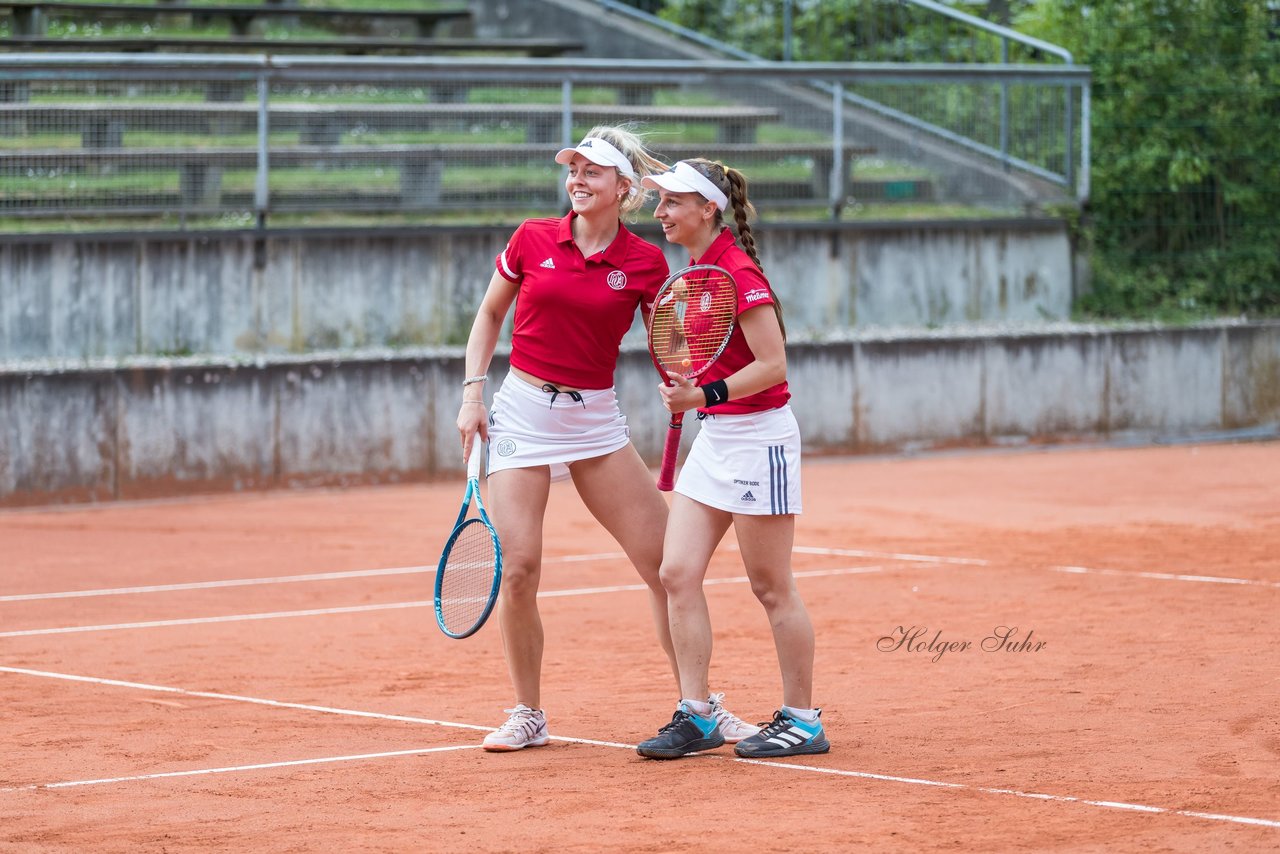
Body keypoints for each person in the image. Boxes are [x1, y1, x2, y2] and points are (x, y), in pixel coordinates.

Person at [456, 129, 758, 752]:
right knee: (520, 569)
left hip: (595, 420)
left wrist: (688, 379)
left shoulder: (647, 262)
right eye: (574, 170)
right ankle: (527, 714)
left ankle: (698, 706)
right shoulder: (532, 237)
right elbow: (490, 315)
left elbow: (670, 338)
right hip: (521, 412)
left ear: (623, 189)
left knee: (664, 568)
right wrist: (471, 394)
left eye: (594, 173)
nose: (578, 180)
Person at [635, 159, 829, 760]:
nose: (660, 213)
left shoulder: (737, 272)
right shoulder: (695, 270)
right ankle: (698, 714)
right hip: (716, 438)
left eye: (672, 202)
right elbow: (711, 356)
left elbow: (773, 365)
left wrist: (705, 393)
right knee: (676, 573)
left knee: (770, 586)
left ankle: (803, 720)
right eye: (660, 202)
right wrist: (693, 387)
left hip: (759, 439)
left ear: (708, 208)